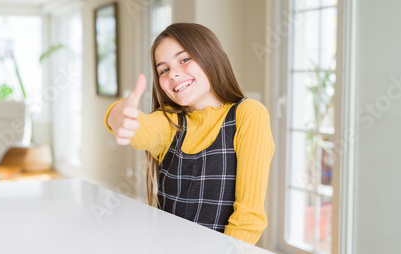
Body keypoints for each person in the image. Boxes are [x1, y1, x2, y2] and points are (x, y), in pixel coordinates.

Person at [104, 23, 274, 245]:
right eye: (163, 69)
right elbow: (141, 128)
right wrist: (117, 116)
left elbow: (248, 219)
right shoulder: (170, 122)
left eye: (184, 59)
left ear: (211, 56)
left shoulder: (248, 115)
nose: (173, 73)